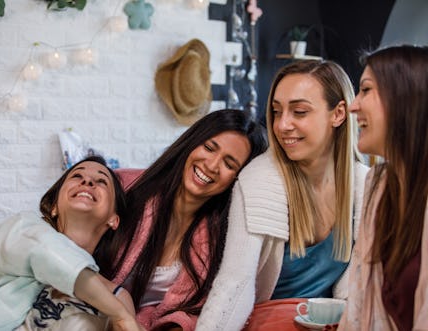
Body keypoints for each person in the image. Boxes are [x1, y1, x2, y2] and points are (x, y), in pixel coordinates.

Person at [196, 60, 369, 330]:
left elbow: (359, 287)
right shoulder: (258, 180)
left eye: (299, 111)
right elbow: (234, 285)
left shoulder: (365, 184)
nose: (282, 125)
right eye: (276, 112)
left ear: (338, 114)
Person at [0, 156, 144, 331]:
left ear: (113, 219)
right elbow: (43, 250)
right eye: (77, 175)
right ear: (53, 207)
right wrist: (118, 313)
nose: (87, 182)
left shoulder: (118, 295)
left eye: (101, 181)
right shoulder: (20, 229)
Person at [108, 109, 267, 331]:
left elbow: (198, 313)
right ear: (192, 142)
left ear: (238, 179)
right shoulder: (124, 187)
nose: (211, 165)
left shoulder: (223, 241)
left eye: (229, 164)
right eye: (209, 148)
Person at [338, 45, 428, 331]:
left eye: (365, 90)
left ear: (406, 98)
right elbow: (359, 306)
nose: (353, 105)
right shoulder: (379, 186)